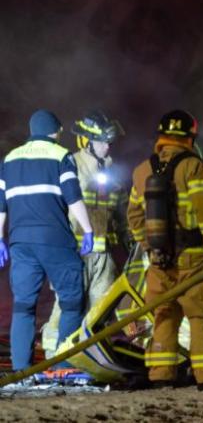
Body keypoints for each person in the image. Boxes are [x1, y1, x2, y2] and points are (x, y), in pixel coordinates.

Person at [126, 109, 203, 391]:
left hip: (159, 262)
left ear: (161, 137)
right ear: (190, 137)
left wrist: (150, 247)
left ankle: (161, 375)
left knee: (163, 315)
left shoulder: (141, 171)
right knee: (202, 317)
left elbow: (134, 217)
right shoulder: (193, 167)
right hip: (194, 260)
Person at [0, 109, 94, 370]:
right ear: (56, 131)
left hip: (20, 242)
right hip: (55, 239)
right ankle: (62, 363)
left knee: (23, 305)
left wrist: (0, 239)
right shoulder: (61, 156)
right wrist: (87, 230)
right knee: (72, 301)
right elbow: (73, 197)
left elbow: (1, 205)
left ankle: (22, 370)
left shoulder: (9, 159)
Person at [41, 111, 128, 358]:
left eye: (109, 142)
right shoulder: (71, 165)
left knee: (100, 307)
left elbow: (119, 211)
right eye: (101, 141)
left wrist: (128, 237)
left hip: (102, 254)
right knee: (67, 304)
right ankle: (53, 354)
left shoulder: (113, 172)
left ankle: (90, 353)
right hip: (74, 252)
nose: (107, 146)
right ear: (86, 141)